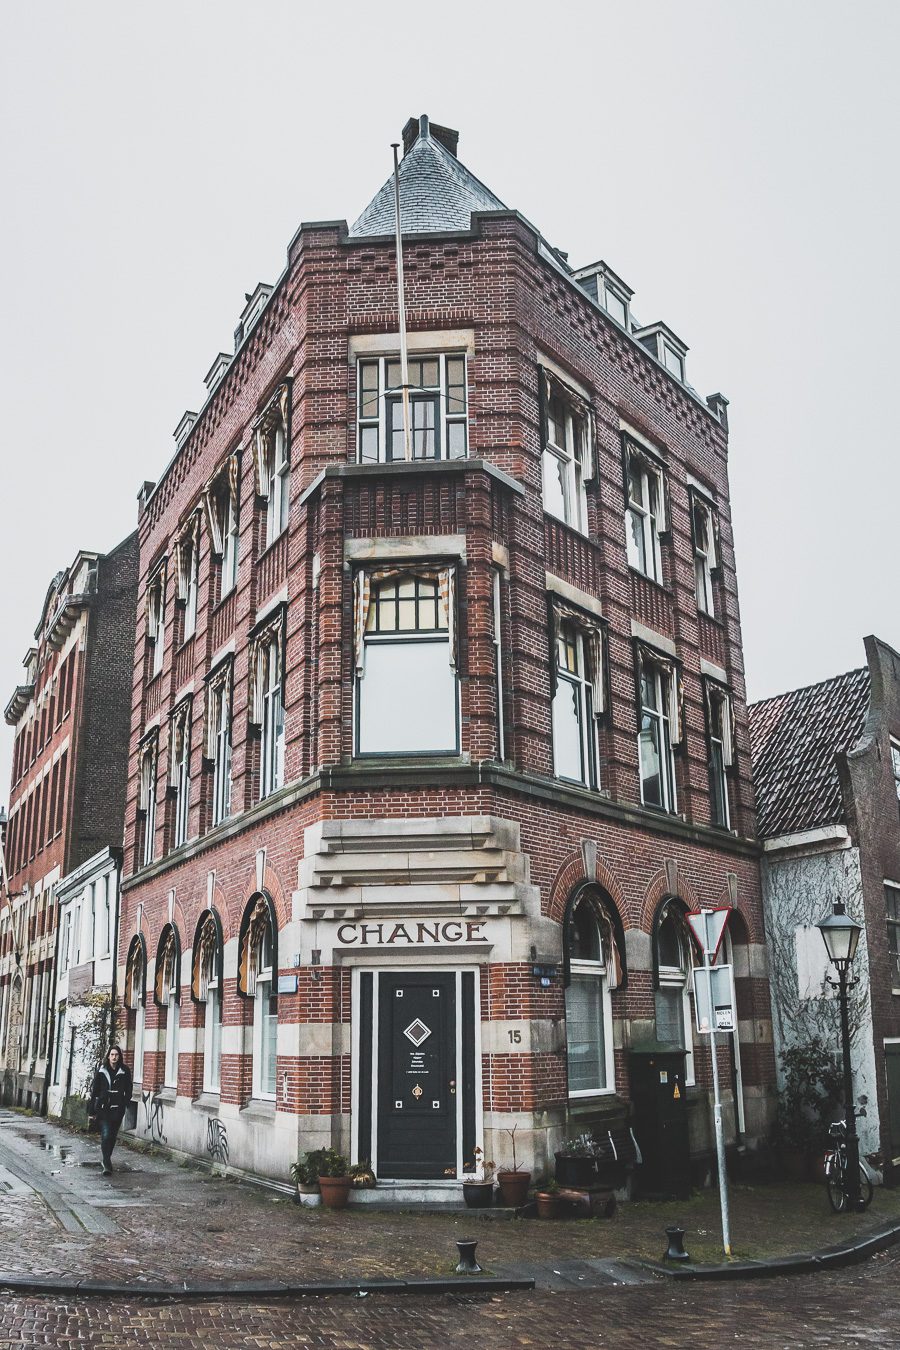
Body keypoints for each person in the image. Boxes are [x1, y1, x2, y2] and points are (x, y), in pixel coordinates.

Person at [88, 1045, 133, 1175]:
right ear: (108, 1056)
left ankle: (107, 1158)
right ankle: (107, 1162)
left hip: (117, 1110)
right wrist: (92, 1111)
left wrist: (125, 1102)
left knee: (112, 1137)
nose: (114, 1057)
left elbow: (128, 1089)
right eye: (112, 1055)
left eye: (116, 1055)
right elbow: (95, 1091)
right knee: (106, 1134)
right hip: (103, 1109)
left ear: (120, 1057)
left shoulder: (124, 1071)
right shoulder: (102, 1071)